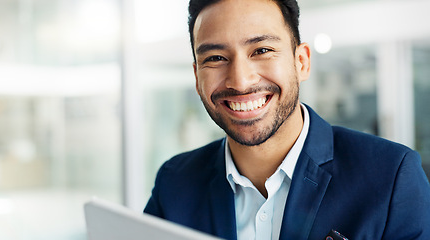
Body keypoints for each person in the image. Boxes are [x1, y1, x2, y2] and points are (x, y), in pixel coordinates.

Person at [144, 0, 430, 239]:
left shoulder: (391, 177)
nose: (241, 81)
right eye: (216, 58)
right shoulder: (174, 183)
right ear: (197, 77)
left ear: (301, 61)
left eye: (262, 51)